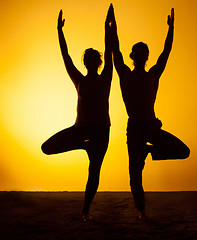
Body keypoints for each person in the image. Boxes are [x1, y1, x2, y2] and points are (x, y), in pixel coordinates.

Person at [109, 5, 190, 219]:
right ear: (133, 55)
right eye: (139, 53)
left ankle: (149, 152)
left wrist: (171, 28)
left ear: (147, 56)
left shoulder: (153, 74)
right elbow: (115, 51)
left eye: (145, 53)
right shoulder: (125, 74)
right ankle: (142, 212)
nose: (142, 56)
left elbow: (166, 52)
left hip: (151, 126)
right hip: (135, 128)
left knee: (183, 151)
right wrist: (112, 27)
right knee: (134, 175)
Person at [41, 4, 114, 221]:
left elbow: (109, 49)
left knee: (94, 171)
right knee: (47, 147)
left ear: (99, 63)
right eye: (88, 60)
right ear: (85, 63)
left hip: (102, 130)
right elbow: (65, 57)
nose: (91, 63)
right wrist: (59, 31)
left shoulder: (106, 78)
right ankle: (83, 145)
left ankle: (85, 211)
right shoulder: (79, 80)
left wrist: (107, 25)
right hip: (81, 128)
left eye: (95, 60)